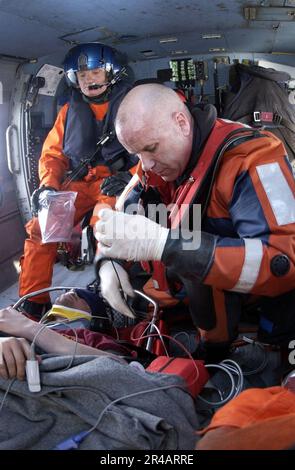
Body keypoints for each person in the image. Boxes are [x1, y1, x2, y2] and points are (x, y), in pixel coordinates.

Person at [94, 83, 295, 359]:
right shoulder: (155, 159)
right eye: (137, 154)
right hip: (186, 300)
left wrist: (164, 244)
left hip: (244, 313)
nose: (146, 164)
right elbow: (123, 213)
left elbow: (284, 262)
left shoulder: (254, 157)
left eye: (151, 149)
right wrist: (108, 261)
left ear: (181, 123)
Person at [19, 42, 138, 318]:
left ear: (111, 73)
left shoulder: (133, 105)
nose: (88, 79)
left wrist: (130, 177)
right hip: (78, 183)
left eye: (95, 72)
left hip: (115, 182)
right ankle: (33, 302)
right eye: (82, 75)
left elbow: (151, 150)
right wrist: (48, 186)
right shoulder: (68, 111)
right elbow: (52, 154)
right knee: (41, 228)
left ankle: (107, 293)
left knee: (104, 226)